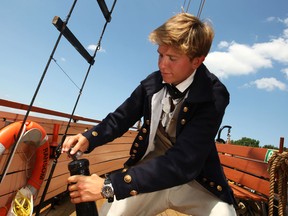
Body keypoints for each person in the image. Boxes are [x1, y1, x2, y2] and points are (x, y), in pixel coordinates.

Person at [62, 12, 237, 216]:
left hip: (194, 182)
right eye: (160, 54)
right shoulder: (152, 84)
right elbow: (120, 119)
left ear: (197, 61)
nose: (162, 64)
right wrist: (88, 138)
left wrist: (108, 185)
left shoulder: (214, 94)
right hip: (148, 178)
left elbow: (183, 162)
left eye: (172, 58)